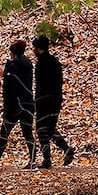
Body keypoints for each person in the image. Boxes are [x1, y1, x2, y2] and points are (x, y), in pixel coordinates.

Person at [0, 40, 36, 169]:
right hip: (28, 103)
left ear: (13, 52)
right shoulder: (28, 65)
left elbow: (9, 89)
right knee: (28, 133)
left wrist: (7, 106)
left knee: (5, 132)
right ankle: (32, 160)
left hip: (15, 106)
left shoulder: (13, 67)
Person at [32, 34, 74, 168]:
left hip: (44, 100)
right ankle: (66, 148)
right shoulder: (55, 62)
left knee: (41, 129)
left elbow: (39, 85)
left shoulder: (41, 64)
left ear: (38, 48)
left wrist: (36, 101)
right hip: (56, 100)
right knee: (50, 129)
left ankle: (47, 159)